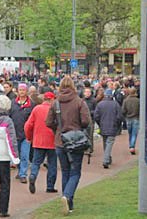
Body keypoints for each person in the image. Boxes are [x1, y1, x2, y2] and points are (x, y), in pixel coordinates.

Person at [46, 76, 91, 216]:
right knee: (75, 172)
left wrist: (58, 129)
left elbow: (48, 122)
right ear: (73, 86)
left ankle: (68, 203)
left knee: (65, 171)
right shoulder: (79, 102)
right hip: (75, 141)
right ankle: (67, 196)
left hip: (60, 140)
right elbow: (86, 121)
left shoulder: (55, 103)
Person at [24, 92, 57, 194]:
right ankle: (50, 186)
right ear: (52, 99)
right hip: (52, 140)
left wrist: (29, 137)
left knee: (36, 162)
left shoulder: (37, 109)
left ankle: (33, 175)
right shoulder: (55, 110)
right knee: (52, 164)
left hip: (38, 140)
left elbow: (28, 125)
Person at [10, 83, 34, 184]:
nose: (22, 92)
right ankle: (20, 171)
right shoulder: (13, 103)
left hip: (26, 134)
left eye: (23, 90)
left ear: (26, 91)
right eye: (20, 90)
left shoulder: (31, 104)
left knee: (25, 154)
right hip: (15, 133)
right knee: (17, 155)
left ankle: (23, 174)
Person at [94, 89, 124, 169]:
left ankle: (107, 158)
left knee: (105, 143)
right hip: (112, 126)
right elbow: (119, 116)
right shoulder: (115, 104)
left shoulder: (100, 104)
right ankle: (106, 160)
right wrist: (117, 125)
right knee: (109, 143)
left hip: (103, 126)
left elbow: (96, 116)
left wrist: (100, 123)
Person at [122, 87, 140, 154]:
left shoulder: (125, 100)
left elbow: (123, 110)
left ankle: (131, 146)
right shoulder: (138, 100)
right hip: (136, 118)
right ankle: (132, 146)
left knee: (130, 133)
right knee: (134, 134)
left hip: (128, 118)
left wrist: (125, 115)